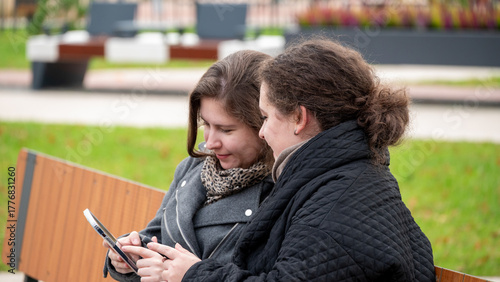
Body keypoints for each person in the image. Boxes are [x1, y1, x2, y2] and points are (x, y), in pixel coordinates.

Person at [125, 38, 436, 281]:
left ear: (299, 118)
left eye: (265, 117)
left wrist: (193, 275)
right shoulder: (338, 176)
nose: (263, 133)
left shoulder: (331, 199)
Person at [103, 50, 275, 282]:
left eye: (226, 129)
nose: (211, 143)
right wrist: (130, 256)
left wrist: (174, 274)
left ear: (262, 123)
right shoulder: (194, 167)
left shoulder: (278, 189)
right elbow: (156, 237)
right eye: (206, 124)